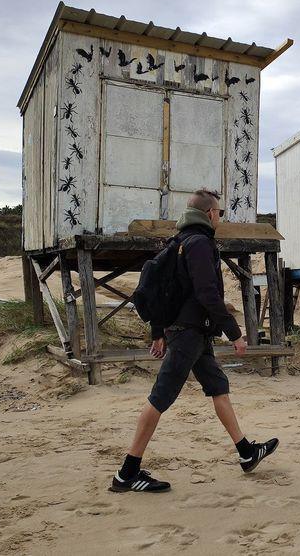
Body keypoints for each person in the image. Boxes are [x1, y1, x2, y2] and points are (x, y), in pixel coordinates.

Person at [111, 189, 278, 493]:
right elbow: (207, 294)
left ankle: (245, 452)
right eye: (220, 213)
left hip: (193, 333)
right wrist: (235, 332)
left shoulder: (178, 242)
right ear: (211, 213)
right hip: (189, 334)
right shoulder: (200, 243)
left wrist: (159, 331)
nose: (220, 218)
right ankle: (126, 473)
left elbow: (166, 290)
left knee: (218, 387)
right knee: (160, 397)